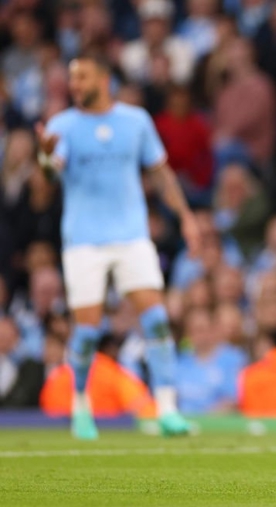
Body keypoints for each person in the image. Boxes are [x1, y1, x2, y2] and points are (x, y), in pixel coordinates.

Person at [35, 53, 201, 440]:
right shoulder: (63, 126)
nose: (75, 85)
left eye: (83, 77)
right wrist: (44, 155)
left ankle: (168, 410)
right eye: (72, 78)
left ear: (104, 79)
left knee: (157, 321)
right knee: (88, 331)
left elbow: (161, 174)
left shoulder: (135, 121)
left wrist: (188, 218)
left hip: (131, 236)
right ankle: (80, 407)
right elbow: (48, 178)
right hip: (84, 241)